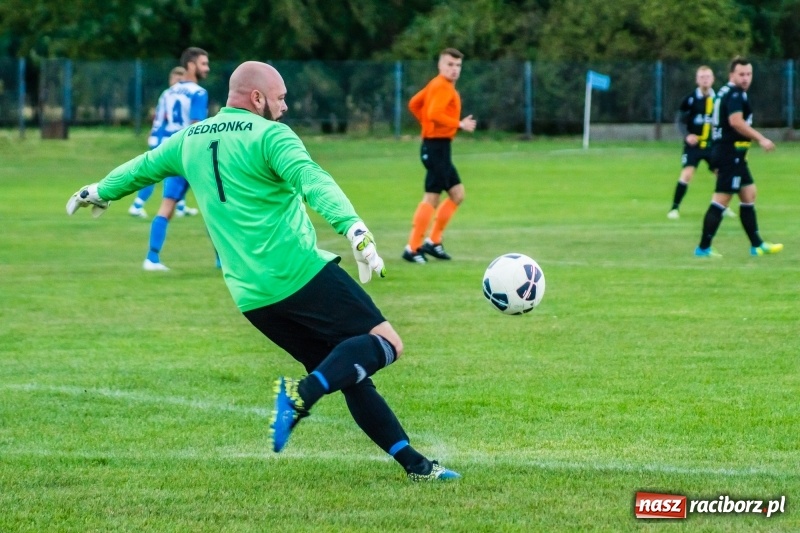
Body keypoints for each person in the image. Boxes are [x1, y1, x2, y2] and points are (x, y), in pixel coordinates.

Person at [66, 61, 460, 482]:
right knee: (387, 344)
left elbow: (141, 167)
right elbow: (312, 179)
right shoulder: (271, 135)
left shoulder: (189, 139)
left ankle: (416, 466)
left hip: (252, 297)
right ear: (257, 98)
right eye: (280, 97)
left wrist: (98, 190)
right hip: (299, 274)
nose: (285, 106)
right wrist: (353, 227)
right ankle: (299, 395)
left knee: (349, 376)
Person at [695, 57, 783, 258]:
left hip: (732, 154)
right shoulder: (735, 93)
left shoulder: (726, 92)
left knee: (749, 193)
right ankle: (703, 248)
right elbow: (736, 122)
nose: (745, 78)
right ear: (731, 75)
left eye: (749, 74)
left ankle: (757, 245)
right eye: (741, 74)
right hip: (729, 154)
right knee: (721, 200)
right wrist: (761, 138)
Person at [402, 48, 476, 264]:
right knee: (432, 197)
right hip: (435, 148)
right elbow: (434, 113)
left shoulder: (437, 84)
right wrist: (459, 124)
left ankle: (433, 242)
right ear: (440, 65)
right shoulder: (441, 86)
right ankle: (412, 248)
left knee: (457, 194)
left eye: (458, 65)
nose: (454, 69)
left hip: (440, 148)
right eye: (450, 64)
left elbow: (414, 104)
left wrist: (426, 123)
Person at [142, 47, 211, 271]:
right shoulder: (198, 93)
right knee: (214, 207)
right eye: (203, 64)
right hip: (190, 156)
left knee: (167, 206)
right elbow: (196, 127)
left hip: (170, 155)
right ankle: (224, 261)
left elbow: (159, 124)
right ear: (191, 65)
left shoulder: (168, 93)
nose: (207, 68)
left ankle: (151, 258)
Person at [128, 66, 199, 219]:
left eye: (181, 80)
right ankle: (137, 205)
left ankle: (180, 206)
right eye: (176, 79)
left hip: (166, 138)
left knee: (180, 173)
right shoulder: (173, 95)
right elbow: (163, 118)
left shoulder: (167, 94)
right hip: (165, 139)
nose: (179, 83)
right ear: (171, 79)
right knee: (156, 173)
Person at [667, 66, 735, 220]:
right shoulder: (690, 99)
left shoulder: (719, 99)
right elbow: (680, 121)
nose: (705, 80)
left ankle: (724, 206)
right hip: (694, 146)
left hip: (712, 146)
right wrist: (687, 136)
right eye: (702, 77)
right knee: (687, 174)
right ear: (697, 80)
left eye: (708, 77)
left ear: (713, 79)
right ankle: (674, 208)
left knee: (722, 174)